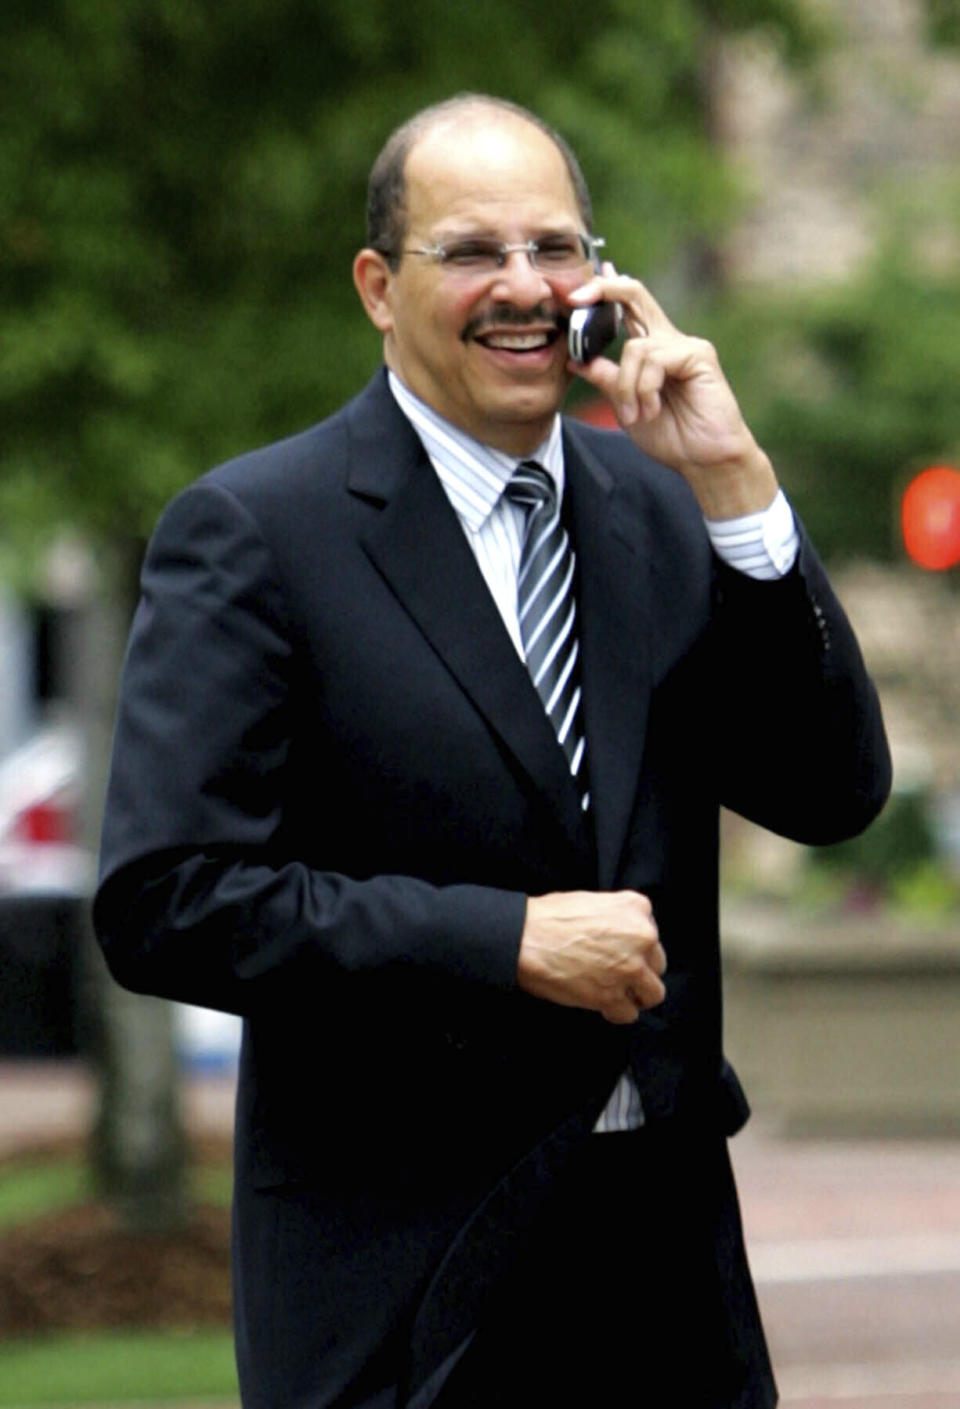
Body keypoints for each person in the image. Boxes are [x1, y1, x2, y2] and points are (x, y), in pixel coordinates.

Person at [94, 93, 891, 1409]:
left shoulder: (659, 500)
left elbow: (832, 789)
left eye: (556, 247)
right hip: (402, 1291)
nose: (524, 286)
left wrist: (740, 488)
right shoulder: (256, 530)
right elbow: (165, 902)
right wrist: (503, 941)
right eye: (472, 250)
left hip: (665, 1283)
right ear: (377, 284)